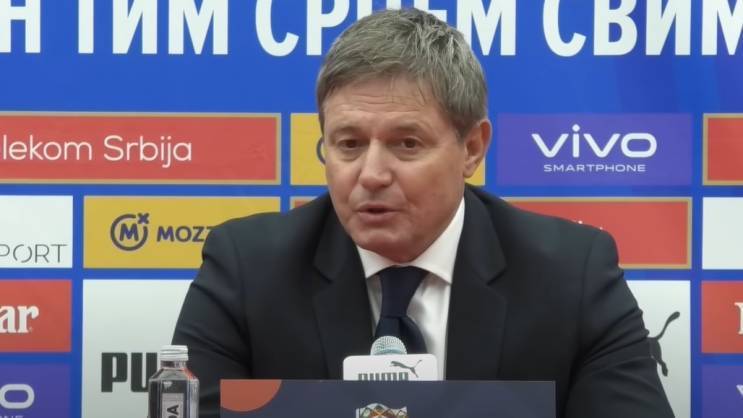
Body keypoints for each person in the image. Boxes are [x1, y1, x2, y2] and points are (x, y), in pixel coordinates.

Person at [172, 8, 674, 418]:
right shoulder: (247, 270)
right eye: (348, 144)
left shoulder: (571, 275)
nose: (371, 174)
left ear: (472, 148)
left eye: (406, 143)